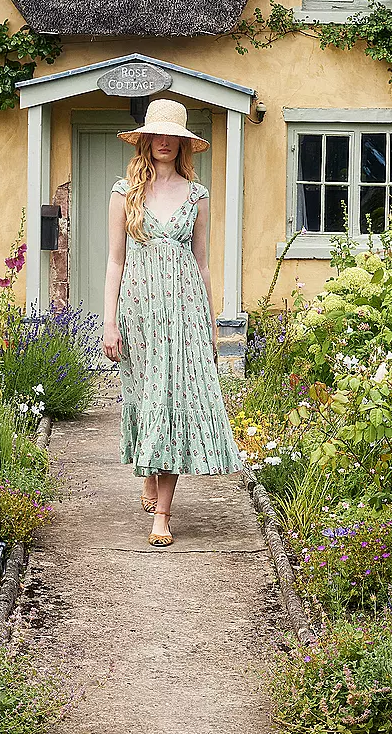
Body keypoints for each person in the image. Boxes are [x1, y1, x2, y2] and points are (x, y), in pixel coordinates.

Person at [102, 98, 244, 548]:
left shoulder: (197, 196)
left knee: (172, 402)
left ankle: (162, 513)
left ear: (183, 144)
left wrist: (210, 323)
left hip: (183, 313)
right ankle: (149, 472)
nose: (164, 142)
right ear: (145, 139)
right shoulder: (124, 192)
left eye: (173, 136)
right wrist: (109, 323)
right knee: (146, 398)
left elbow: (202, 264)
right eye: (156, 134)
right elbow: (114, 261)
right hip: (139, 311)